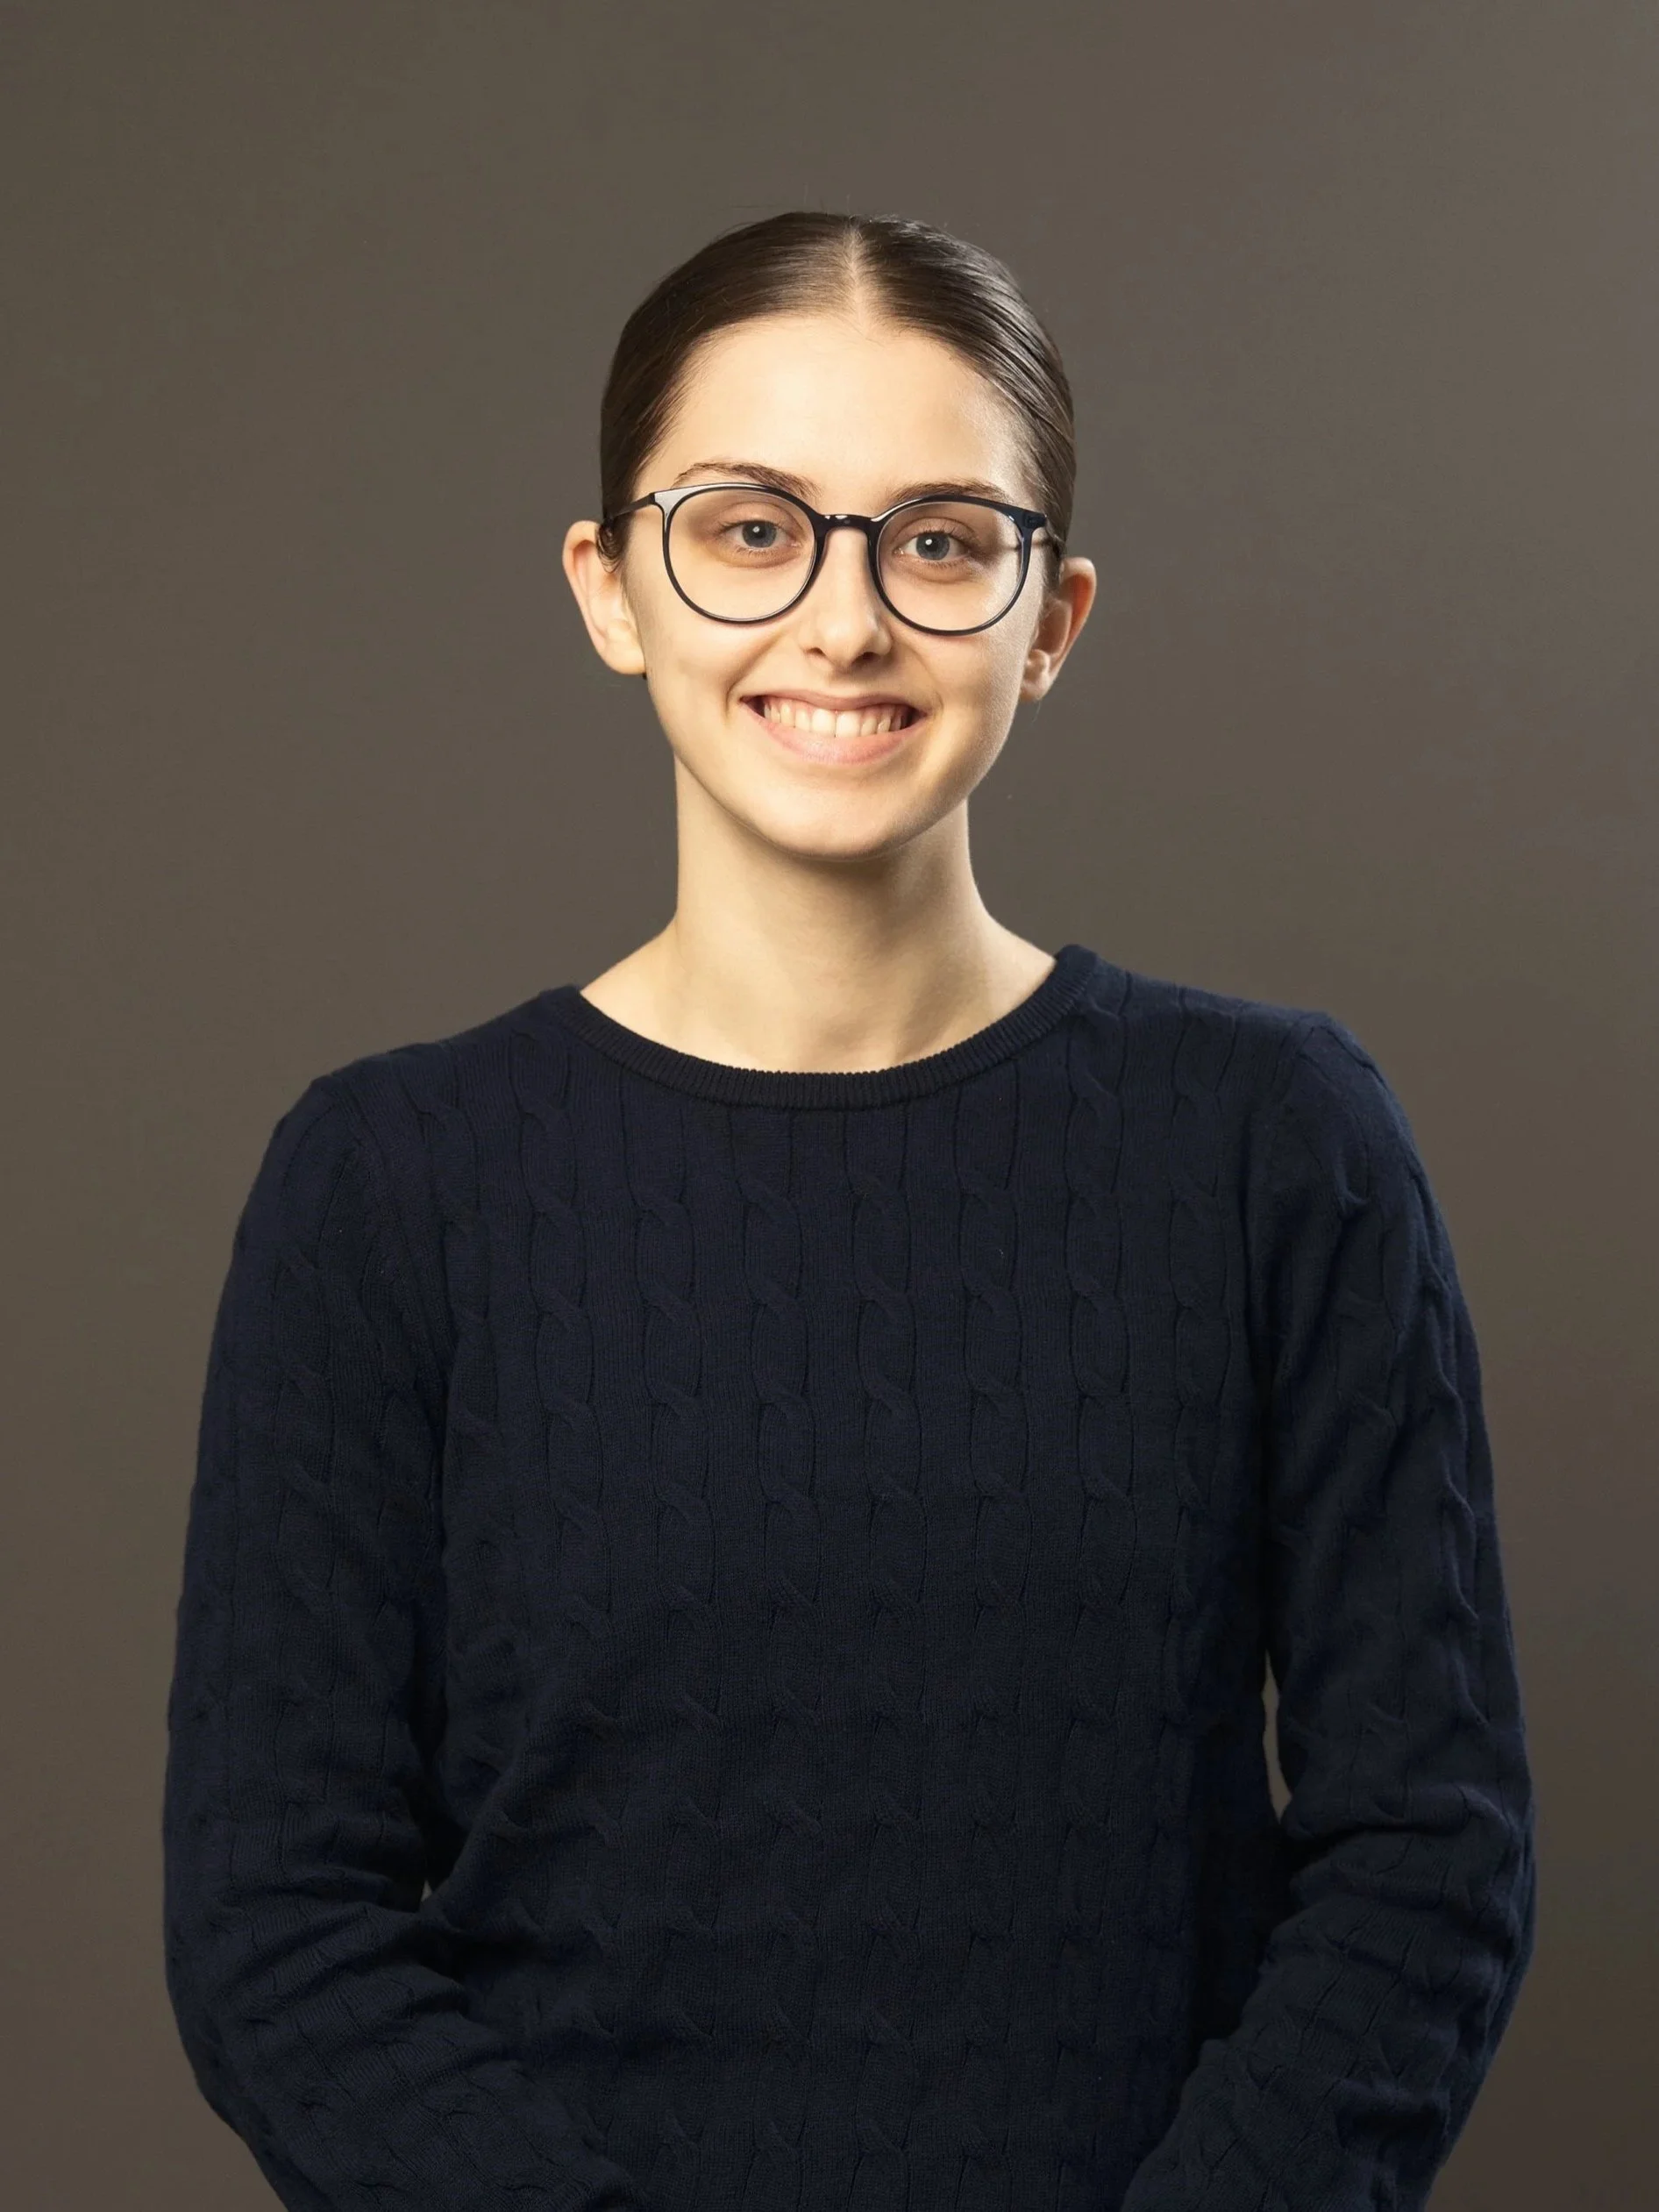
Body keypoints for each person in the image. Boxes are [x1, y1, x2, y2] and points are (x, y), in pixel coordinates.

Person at [161, 210, 1536, 2212]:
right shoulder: (387, 1185)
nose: (842, 621)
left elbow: (1428, 1856)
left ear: (1048, 618)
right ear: (609, 587)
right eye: (747, 527)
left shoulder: (1277, 1142)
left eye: (940, 540)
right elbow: (277, 1927)